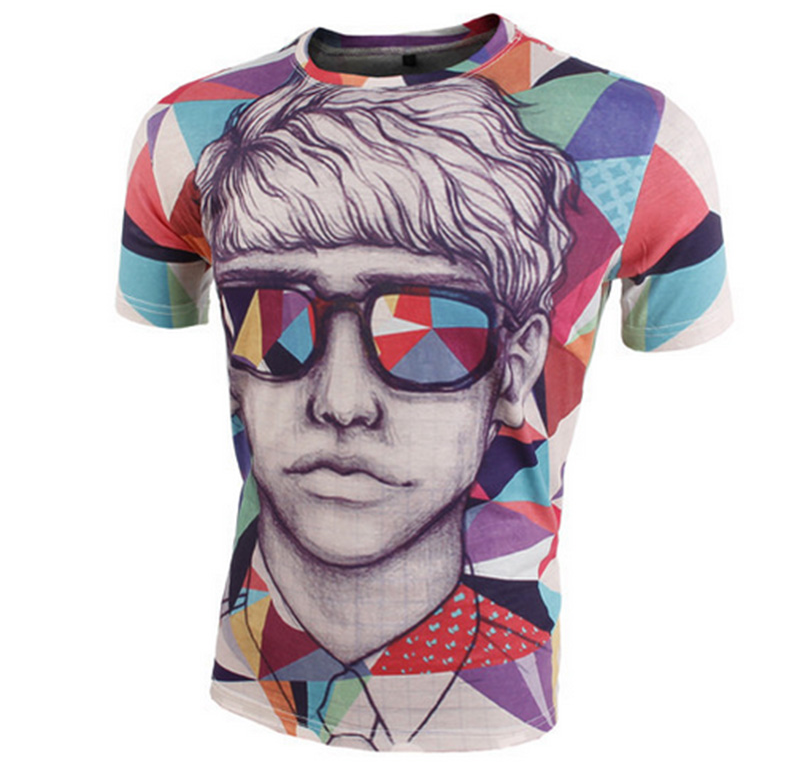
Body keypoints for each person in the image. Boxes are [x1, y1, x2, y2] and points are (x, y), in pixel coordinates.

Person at [192, 71, 579, 750]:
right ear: (235, 366)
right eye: (273, 319)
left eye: (426, 331)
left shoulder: (653, 122)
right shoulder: (172, 123)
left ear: (515, 368)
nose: (342, 404)